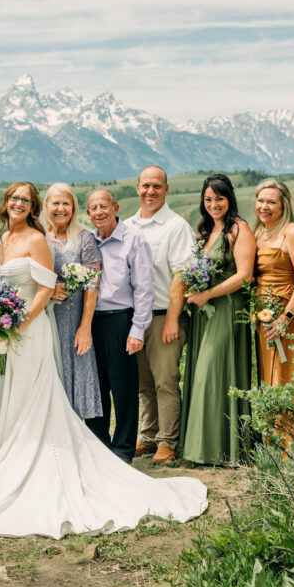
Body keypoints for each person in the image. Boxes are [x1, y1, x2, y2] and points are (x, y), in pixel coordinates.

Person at [0, 182, 208, 539]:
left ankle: (34, 458)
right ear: (6, 203)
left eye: (26, 199)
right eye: (14, 198)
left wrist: (20, 323)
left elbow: (45, 287)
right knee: (5, 392)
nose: (19, 203)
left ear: (33, 205)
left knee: (32, 393)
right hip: (1, 331)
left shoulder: (36, 240)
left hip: (29, 330)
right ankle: (1, 456)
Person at [178, 174, 255, 465]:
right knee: (200, 373)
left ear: (229, 198)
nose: (213, 204)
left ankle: (223, 448)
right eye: (208, 199)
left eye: (219, 198)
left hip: (227, 308)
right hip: (204, 310)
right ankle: (200, 447)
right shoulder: (205, 230)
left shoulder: (239, 229)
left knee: (215, 370)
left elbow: (245, 275)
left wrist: (208, 293)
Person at [124, 165, 197, 465]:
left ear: (167, 189)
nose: (150, 191)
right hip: (134, 319)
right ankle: (148, 436)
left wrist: (172, 319)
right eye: (146, 186)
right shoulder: (127, 225)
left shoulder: (176, 226)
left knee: (165, 380)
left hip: (163, 316)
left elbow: (181, 275)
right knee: (143, 383)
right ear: (137, 187)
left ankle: (168, 441)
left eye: (157, 186)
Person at [85, 189, 155, 463]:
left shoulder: (134, 239)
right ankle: (98, 445)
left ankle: (123, 449)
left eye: (104, 206)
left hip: (120, 320)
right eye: (93, 208)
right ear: (88, 213)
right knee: (95, 386)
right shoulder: (87, 240)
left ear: (115, 208)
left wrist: (137, 329)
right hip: (90, 322)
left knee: (124, 388)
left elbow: (144, 289)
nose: (99, 212)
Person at [253, 179, 294, 404]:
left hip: (289, 314)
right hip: (264, 315)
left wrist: (284, 318)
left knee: (288, 374)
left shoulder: (292, 232)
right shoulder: (259, 234)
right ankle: (274, 437)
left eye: (271, 202)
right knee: (270, 376)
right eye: (260, 200)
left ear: (283, 206)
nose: (264, 207)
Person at [43, 183, 102, 419]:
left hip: (74, 319)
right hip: (43, 318)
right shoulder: (37, 236)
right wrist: (48, 291)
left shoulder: (85, 238)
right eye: (55, 203)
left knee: (75, 376)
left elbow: (92, 286)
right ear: (46, 205)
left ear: (74, 207)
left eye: (66, 203)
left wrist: (85, 327)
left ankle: (76, 438)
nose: (60, 208)